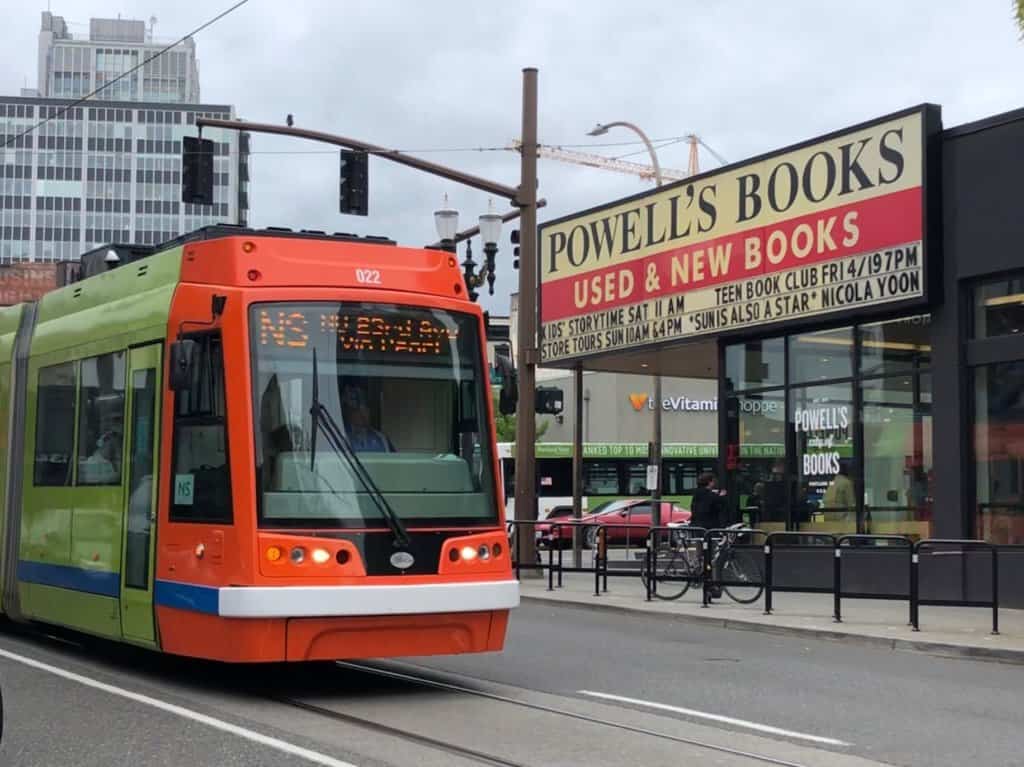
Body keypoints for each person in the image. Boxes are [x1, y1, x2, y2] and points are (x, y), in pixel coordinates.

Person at [341, 384, 395, 452]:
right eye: (357, 409)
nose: (363, 414)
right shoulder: (341, 436)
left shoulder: (381, 439)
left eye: (366, 408)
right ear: (348, 412)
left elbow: (394, 461)